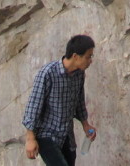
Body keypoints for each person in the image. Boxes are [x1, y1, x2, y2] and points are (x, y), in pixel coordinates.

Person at [23, 34, 98, 165]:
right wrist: (30, 138)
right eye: (88, 56)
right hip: (46, 135)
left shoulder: (79, 75)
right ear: (75, 56)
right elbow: (33, 106)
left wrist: (86, 125)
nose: (90, 60)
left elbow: (79, 102)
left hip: (66, 134)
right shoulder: (48, 73)